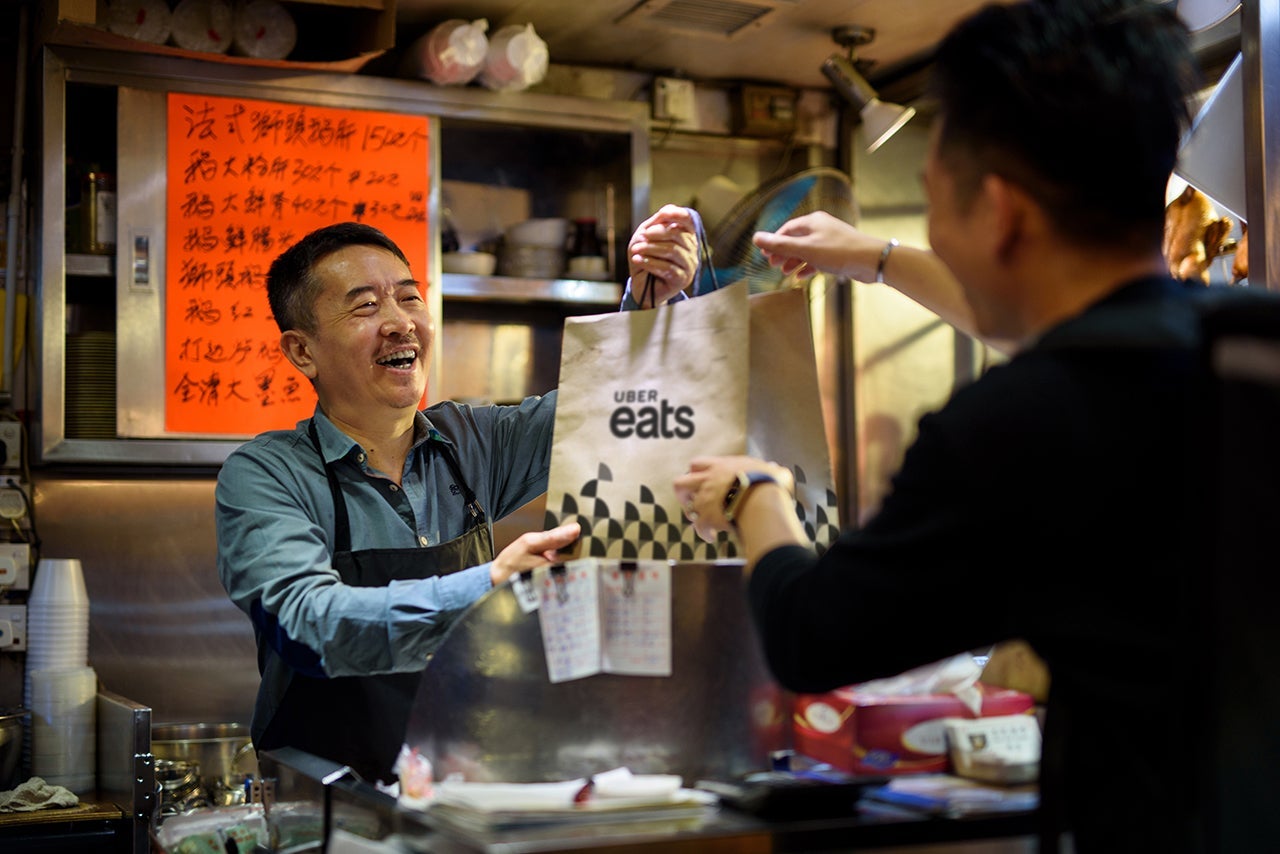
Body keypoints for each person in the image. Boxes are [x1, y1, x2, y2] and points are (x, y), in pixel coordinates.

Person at [675, 1, 1227, 850]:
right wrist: (875, 257)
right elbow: (1052, 323)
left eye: (933, 198)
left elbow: (813, 636)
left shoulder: (1016, 426)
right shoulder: (1247, 347)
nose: (930, 226)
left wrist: (756, 494)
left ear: (998, 211)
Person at [216, 207, 697, 783]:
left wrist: (647, 303)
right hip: (328, 807)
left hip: (460, 789)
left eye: (409, 298)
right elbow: (307, 622)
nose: (399, 323)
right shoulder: (267, 476)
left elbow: (600, 405)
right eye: (366, 305)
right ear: (302, 352)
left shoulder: (474, 442)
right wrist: (490, 584)